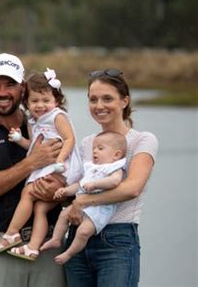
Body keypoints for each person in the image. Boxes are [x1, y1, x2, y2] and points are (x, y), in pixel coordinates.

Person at [0, 53, 66, 286]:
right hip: (1, 246)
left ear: (23, 88)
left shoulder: (47, 128)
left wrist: (60, 190)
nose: (3, 92)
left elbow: (71, 176)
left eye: (11, 84)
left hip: (47, 246)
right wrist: (32, 162)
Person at [64, 69, 158, 286]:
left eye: (107, 98)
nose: (99, 106)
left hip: (117, 240)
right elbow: (76, 187)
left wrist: (83, 201)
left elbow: (131, 188)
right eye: (93, 99)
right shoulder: (87, 143)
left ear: (124, 101)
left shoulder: (142, 141)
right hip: (78, 238)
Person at [0, 69, 82, 261]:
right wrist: (19, 139)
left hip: (61, 169)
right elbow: (33, 147)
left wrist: (60, 160)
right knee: (40, 208)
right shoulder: (33, 122)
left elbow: (69, 139)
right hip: (46, 168)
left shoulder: (57, 116)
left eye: (46, 100)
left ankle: (12, 233)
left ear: (56, 100)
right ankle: (33, 247)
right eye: (34, 101)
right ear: (26, 102)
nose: (40, 105)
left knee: (27, 193)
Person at [41, 131, 127, 265]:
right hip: (83, 204)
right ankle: (56, 239)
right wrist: (65, 191)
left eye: (100, 148)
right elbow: (79, 186)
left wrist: (95, 184)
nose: (95, 152)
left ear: (116, 155)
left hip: (100, 208)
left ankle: (68, 254)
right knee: (64, 214)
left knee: (83, 231)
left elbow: (114, 182)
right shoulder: (91, 168)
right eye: (94, 148)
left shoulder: (114, 169)